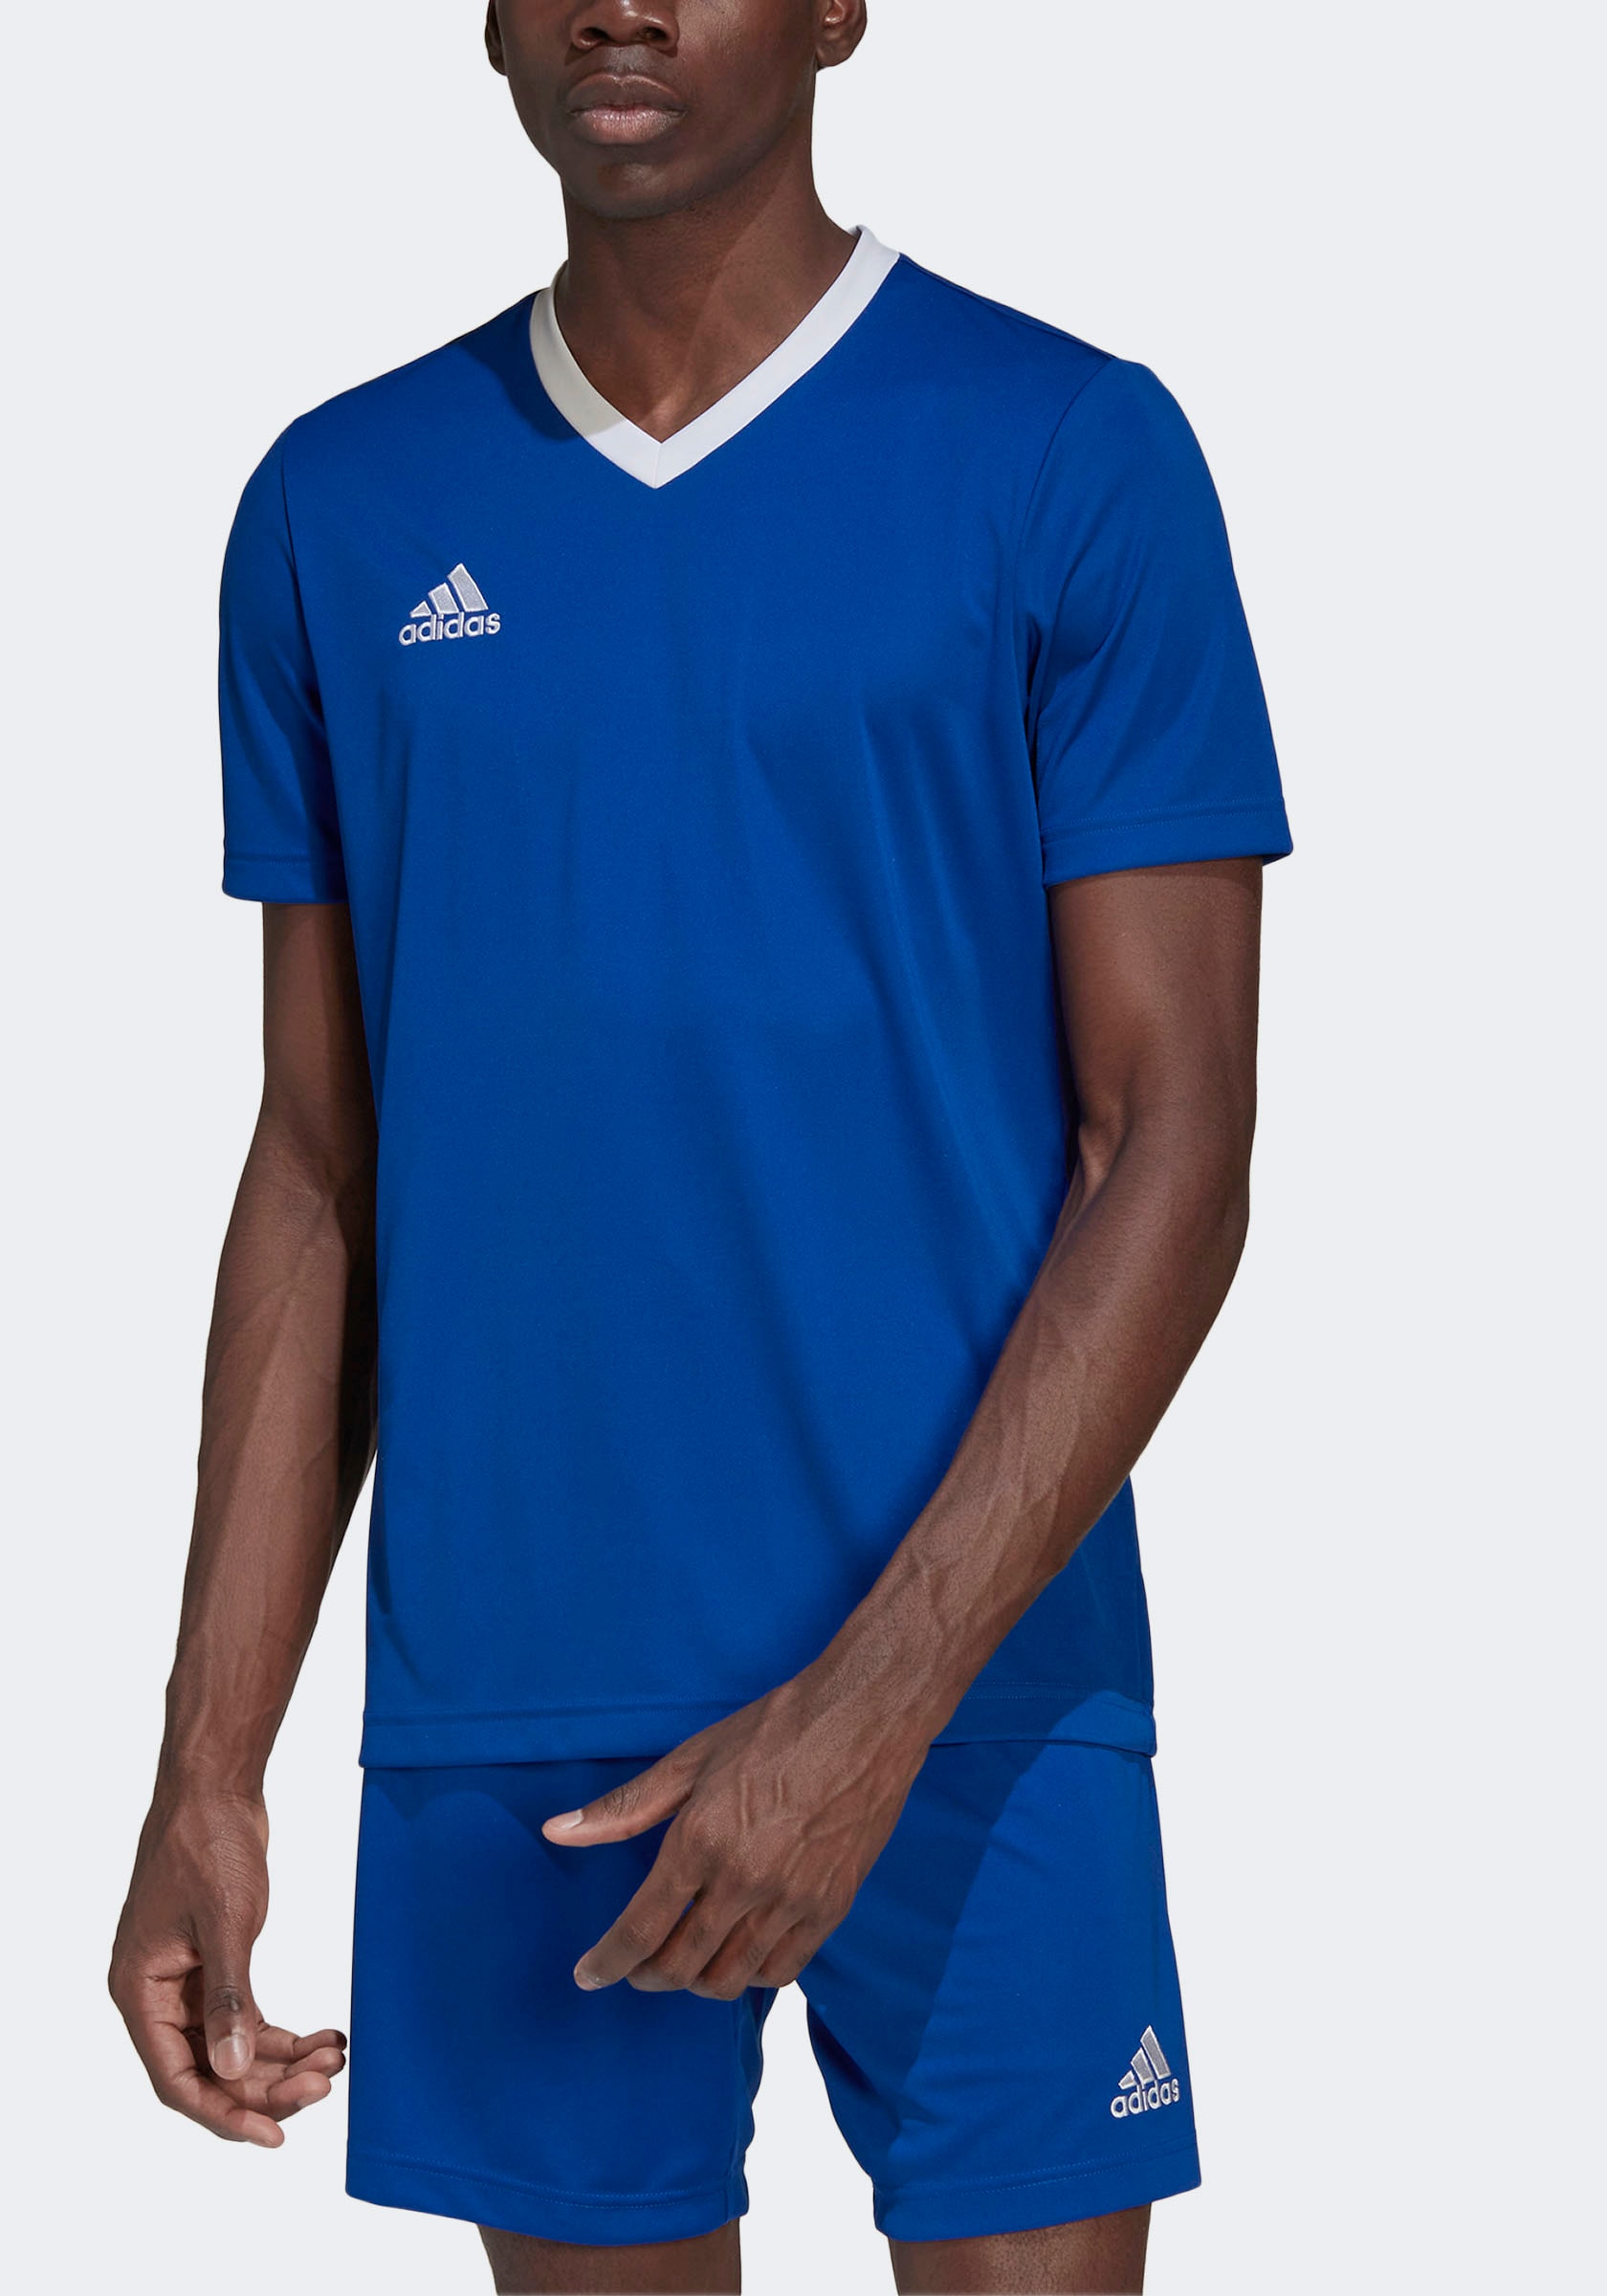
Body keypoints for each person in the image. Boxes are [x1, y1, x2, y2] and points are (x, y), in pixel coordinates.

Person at [110, 4, 1291, 2290]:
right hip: (516, 1705)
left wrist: (868, 1711)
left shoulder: (1068, 450)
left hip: (978, 1690)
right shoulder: (343, 504)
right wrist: (208, 1763)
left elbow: (1174, 1141)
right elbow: (323, 1167)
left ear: (840, 8)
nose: (619, 0)